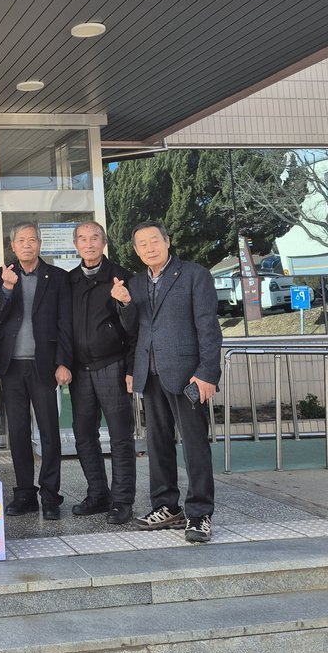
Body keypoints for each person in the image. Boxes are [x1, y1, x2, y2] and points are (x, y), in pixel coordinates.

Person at [117, 221, 222, 544]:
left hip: (188, 374)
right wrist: (125, 304)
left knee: (194, 445)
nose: (149, 248)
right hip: (150, 374)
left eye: (154, 241)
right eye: (142, 244)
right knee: (157, 443)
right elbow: (133, 331)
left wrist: (208, 372)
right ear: (136, 251)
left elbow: (208, 327)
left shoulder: (194, 275)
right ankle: (166, 506)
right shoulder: (135, 283)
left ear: (168, 241)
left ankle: (200, 513)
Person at [0, 222, 71, 520]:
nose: (27, 245)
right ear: (13, 245)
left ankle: (50, 495)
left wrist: (63, 362)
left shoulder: (57, 277)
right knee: (18, 432)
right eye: (21, 240)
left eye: (32, 240)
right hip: (12, 365)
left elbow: (65, 321)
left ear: (40, 244)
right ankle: (24, 493)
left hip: (44, 364)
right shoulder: (1, 275)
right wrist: (6, 289)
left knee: (49, 431)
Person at [65, 221, 137, 524]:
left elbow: (135, 329)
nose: (89, 243)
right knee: (84, 435)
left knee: (120, 436)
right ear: (76, 245)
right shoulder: (69, 280)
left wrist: (131, 369)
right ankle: (98, 494)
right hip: (79, 371)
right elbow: (62, 327)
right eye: (82, 238)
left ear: (104, 242)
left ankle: (122, 500)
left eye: (94, 237)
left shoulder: (121, 277)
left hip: (113, 366)